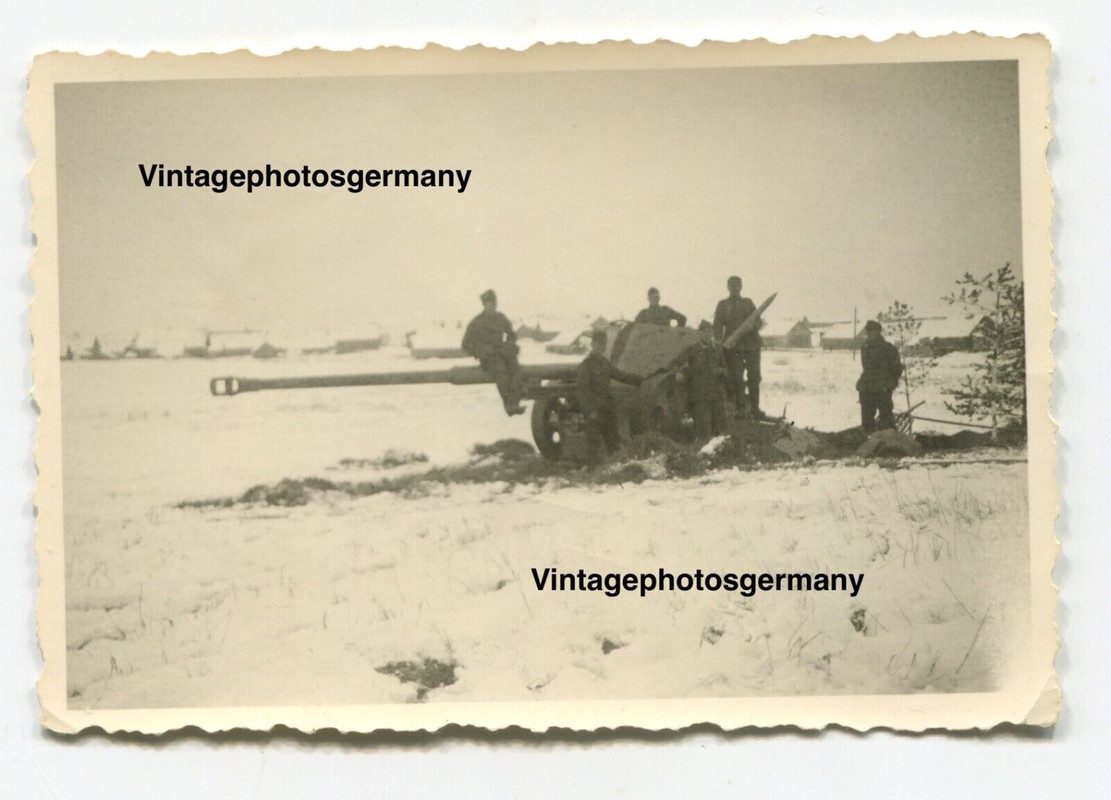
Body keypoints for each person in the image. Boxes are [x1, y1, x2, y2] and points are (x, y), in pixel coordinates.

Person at [576, 329, 642, 464]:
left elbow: (620, 375)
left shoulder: (605, 363)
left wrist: (641, 380)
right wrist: (590, 412)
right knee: (593, 447)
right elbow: (582, 391)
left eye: (603, 344)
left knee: (614, 443)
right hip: (594, 412)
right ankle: (592, 474)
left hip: (607, 409)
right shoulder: (586, 365)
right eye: (599, 344)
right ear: (593, 344)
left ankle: (614, 471)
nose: (601, 347)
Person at [461, 289, 525, 416]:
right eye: (490, 303)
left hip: (502, 353)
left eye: (495, 302)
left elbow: (511, 334)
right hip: (489, 357)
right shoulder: (477, 322)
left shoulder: (501, 318)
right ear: (485, 304)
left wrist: (510, 344)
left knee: (515, 369)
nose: (493, 305)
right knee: (501, 372)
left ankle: (515, 403)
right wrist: (479, 351)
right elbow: (465, 344)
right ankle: (509, 405)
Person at [712, 275, 764, 419]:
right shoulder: (722, 305)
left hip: (752, 346)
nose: (735, 288)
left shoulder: (748, 303)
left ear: (741, 287)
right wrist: (718, 344)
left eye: (737, 286)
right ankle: (740, 410)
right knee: (737, 379)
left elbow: (759, 322)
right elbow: (717, 326)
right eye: (732, 286)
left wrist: (751, 326)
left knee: (754, 378)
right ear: (728, 287)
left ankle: (755, 409)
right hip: (733, 347)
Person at [670, 321, 728, 441]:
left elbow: (725, 368)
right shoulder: (693, 348)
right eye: (705, 332)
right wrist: (678, 373)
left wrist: (721, 371)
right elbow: (675, 363)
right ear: (699, 334)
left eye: (710, 332)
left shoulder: (717, 349)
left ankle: (717, 451)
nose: (708, 335)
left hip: (716, 394)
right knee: (703, 426)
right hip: (699, 394)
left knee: (718, 426)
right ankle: (702, 449)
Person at [856, 319, 903, 434]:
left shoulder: (888, 348)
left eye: (872, 330)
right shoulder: (864, 347)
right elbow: (866, 368)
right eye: (868, 331)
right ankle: (870, 445)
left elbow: (897, 369)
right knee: (867, 422)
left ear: (879, 331)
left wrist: (889, 385)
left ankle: (890, 447)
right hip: (867, 388)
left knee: (886, 421)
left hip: (882, 389)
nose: (869, 333)